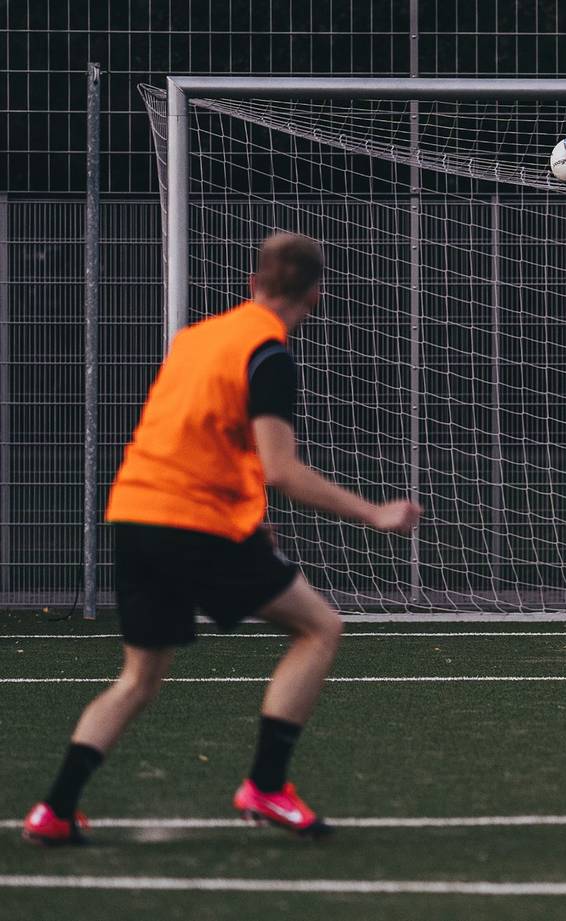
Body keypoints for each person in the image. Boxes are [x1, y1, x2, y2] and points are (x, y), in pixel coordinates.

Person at [21, 232, 422, 845]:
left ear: (253, 283)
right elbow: (282, 470)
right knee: (320, 628)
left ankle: (54, 810)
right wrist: (375, 514)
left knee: (137, 680)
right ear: (316, 294)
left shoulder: (197, 338)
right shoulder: (268, 354)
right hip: (194, 524)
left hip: (136, 515)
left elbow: (195, 435)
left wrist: (245, 511)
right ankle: (266, 785)